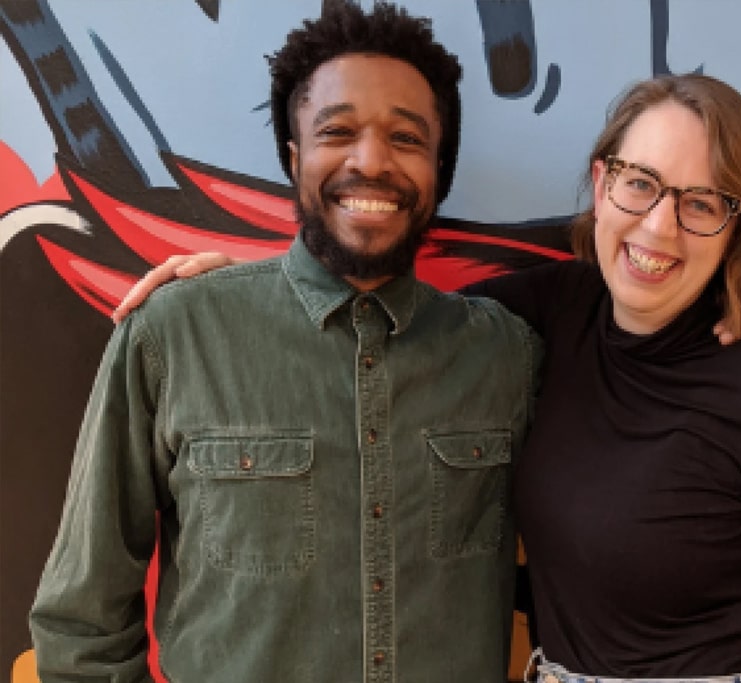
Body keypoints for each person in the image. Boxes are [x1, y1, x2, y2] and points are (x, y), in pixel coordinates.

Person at [111, 72, 741, 681]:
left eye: (703, 203)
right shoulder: (551, 312)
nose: (660, 225)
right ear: (602, 182)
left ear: (737, 226)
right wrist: (239, 298)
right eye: (642, 183)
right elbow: (381, 313)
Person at [29, 4, 541, 682]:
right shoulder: (175, 336)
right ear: (294, 157)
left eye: (407, 138)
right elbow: (81, 621)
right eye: (338, 131)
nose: (371, 161)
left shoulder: (508, 356)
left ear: (438, 169)